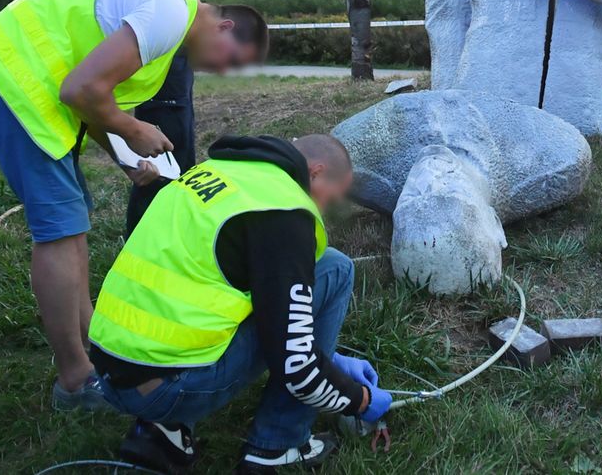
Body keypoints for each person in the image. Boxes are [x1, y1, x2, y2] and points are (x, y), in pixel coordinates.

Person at [0, 0, 267, 412]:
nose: (223, 70)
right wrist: (135, 129)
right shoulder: (168, 14)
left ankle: (96, 354)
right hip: (13, 79)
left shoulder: (169, 24)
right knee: (60, 232)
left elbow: (94, 101)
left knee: (72, 225)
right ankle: (75, 382)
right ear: (223, 26)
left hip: (29, 85)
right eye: (231, 59)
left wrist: (126, 159)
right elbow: (80, 90)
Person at [89, 134, 391, 473]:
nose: (324, 210)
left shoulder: (220, 171)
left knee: (324, 267)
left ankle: (162, 430)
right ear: (316, 173)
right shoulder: (283, 213)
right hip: (168, 385)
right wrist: (361, 400)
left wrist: (330, 359)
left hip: (108, 364)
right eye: (330, 198)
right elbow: (298, 370)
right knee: (335, 269)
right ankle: (280, 443)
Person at [107, 0, 202, 235]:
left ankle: (152, 252)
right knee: (164, 172)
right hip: (162, 79)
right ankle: (145, 256)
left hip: (163, 72)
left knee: (165, 170)